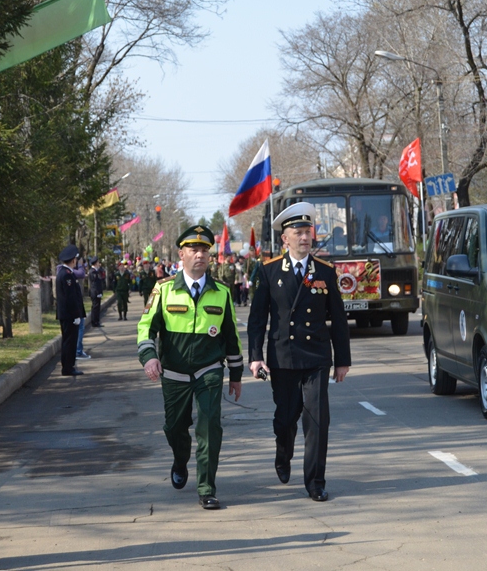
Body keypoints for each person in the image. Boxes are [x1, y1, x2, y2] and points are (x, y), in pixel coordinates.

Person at [248, 202, 352, 502]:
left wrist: (342, 360)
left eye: (308, 231)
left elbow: (339, 319)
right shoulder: (268, 272)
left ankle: (315, 481)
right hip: (283, 357)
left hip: (316, 357)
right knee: (285, 419)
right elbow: (258, 320)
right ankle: (284, 451)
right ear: (285, 239)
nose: (305, 237)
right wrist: (255, 357)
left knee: (318, 420)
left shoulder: (325, 272)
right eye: (298, 232)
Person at [137, 225, 244, 510]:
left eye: (205, 250)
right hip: (173, 373)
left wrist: (235, 375)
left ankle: (207, 488)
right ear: (181, 254)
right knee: (175, 428)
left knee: (210, 428)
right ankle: (180, 459)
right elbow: (146, 327)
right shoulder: (163, 289)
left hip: (209, 371)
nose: (200, 254)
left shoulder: (222, 292)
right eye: (193, 249)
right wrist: (149, 356)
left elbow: (231, 337)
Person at [56, 245, 86, 376]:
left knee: (68, 340)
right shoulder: (66, 275)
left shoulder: (66, 273)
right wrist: (76, 315)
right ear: (73, 260)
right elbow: (70, 298)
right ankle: (68, 367)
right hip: (69, 315)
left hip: (67, 314)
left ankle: (67, 366)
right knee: (70, 341)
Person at [88, 257, 104, 328]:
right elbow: (94, 284)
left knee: (97, 307)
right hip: (95, 292)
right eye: (98, 262)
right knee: (95, 307)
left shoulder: (97, 271)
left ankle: (96, 321)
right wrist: (98, 292)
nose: (99, 263)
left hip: (97, 291)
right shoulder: (92, 272)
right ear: (95, 263)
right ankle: (94, 322)